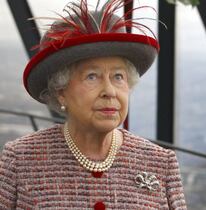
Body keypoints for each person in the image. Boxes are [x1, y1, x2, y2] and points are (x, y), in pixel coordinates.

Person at [0, 0, 186, 209]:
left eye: (118, 76)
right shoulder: (21, 159)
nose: (109, 91)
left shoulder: (161, 163)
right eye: (92, 77)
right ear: (61, 92)